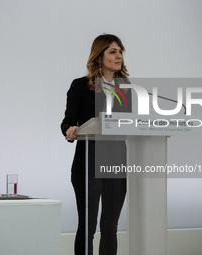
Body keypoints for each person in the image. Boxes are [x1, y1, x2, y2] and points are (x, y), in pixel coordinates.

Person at [61, 34, 131, 255]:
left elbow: (131, 123)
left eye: (120, 51)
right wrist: (70, 131)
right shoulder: (81, 86)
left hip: (116, 166)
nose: (118, 55)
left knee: (110, 228)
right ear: (99, 57)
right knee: (88, 227)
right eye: (112, 51)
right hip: (88, 166)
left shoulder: (126, 87)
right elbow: (68, 122)